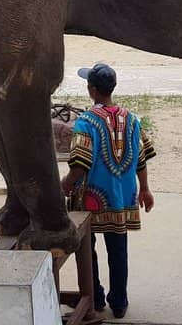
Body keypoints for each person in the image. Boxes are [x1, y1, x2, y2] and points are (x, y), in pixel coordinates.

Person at [61, 63, 156, 320]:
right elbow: (142, 158)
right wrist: (145, 189)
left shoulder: (85, 122)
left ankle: (95, 298)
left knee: (86, 249)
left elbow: (79, 164)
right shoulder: (133, 119)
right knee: (118, 249)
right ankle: (119, 302)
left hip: (91, 199)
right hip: (122, 198)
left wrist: (65, 184)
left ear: (92, 90)